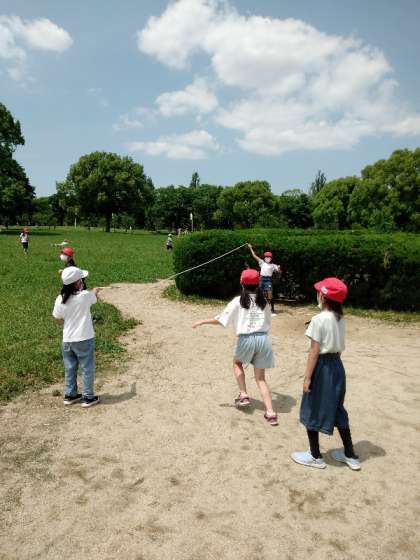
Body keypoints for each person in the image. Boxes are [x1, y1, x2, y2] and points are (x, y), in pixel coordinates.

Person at [193, 268, 278, 426]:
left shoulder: (238, 301)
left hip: (246, 339)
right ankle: (271, 413)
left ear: (242, 283)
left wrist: (202, 321)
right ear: (258, 284)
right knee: (261, 378)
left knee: (237, 363)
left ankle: (243, 394)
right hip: (263, 339)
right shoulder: (265, 302)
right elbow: (268, 322)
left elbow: (221, 320)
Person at [291, 277, 360, 470]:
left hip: (322, 366)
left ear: (323, 296)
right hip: (337, 366)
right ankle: (350, 454)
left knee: (311, 406)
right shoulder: (340, 318)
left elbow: (314, 351)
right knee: (337, 408)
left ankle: (315, 455)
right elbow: (339, 349)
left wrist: (307, 377)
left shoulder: (318, 319)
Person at [52, 266, 100, 408]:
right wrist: (95, 291)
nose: (83, 282)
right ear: (78, 282)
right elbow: (93, 298)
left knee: (70, 368)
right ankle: (88, 397)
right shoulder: (85, 295)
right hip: (84, 338)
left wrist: (68, 322)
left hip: (67, 340)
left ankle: (70, 395)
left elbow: (58, 319)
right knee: (87, 367)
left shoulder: (60, 298)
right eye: (81, 280)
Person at [247, 244, 281, 315]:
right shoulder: (262, 262)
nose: (267, 258)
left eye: (269, 257)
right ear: (264, 258)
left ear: (271, 258)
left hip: (268, 280)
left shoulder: (273, 265)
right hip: (262, 279)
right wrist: (250, 248)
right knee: (258, 293)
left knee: (270, 294)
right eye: (266, 257)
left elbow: (279, 271)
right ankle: (257, 307)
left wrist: (279, 268)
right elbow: (254, 255)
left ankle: (272, 309)